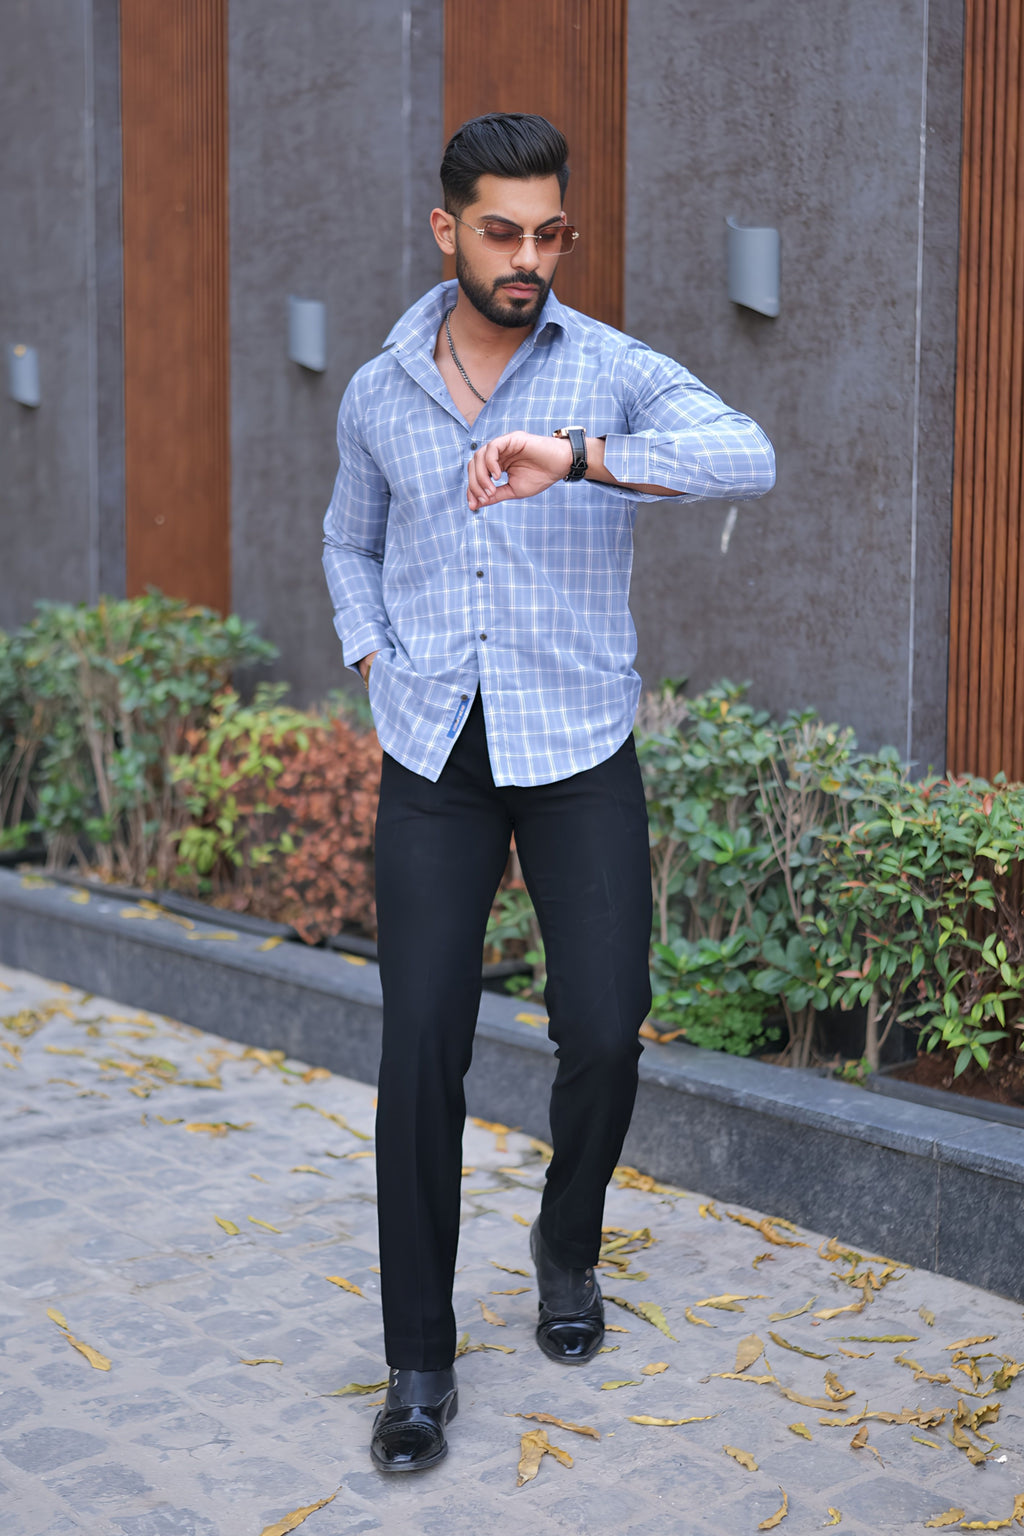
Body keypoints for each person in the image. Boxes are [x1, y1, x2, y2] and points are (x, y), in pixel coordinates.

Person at [323, 111, 775, 1474]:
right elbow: (352, 537)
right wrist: (370, 653)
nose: (529, 258)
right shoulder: (377, 391)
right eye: (503, 232)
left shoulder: (613, 371)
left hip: (575, 748)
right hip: (435, 757)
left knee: (602, 1031)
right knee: (421, 1052)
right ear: (446, 227)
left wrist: (577, 456)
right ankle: (418, 1363)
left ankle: (564, 1246)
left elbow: (746, 455)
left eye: (550, 233)